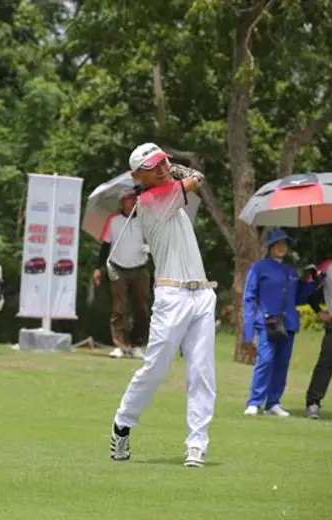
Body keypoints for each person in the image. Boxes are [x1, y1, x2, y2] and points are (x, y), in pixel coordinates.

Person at [109, 142, 216, 469]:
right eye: (152, 166)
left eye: (163, 162)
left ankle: (196, 444)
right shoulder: (149, 201)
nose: (161, 168)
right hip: (172, 297)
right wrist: (178, 170)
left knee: (202, 372)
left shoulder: (168, 195)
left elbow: (194, 178)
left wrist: (171, 168)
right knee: (155, 368)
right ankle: (122, 423)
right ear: (137, 176)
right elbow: (197, 178)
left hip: (202, 293)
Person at [241, 230, 318, 417]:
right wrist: (249, 329)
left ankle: (273, 402)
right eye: (278, 244)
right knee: (265, 360)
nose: (282, 247)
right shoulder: (259, 268)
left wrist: (312, 281)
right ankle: (255, 402)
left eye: (285, 244)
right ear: (271, 247)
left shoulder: (291, 271)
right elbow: (249, 297)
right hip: (268, 322)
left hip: (288, 323)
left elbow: (298, 297)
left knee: (282, 363)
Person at [93, 190, 151, 359]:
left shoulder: (145, 220)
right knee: (119, 309)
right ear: (122, 202)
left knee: (141, 309)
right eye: (129, 199)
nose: (132, 202)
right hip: (118, 269)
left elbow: (156, 242)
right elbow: (105, 247)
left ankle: (136, 344)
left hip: (140, 268)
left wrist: (149, 248)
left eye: (135, 199)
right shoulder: (114, 221)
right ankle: (120, 344)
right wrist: (98, 268)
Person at [304, 258, 332, 419]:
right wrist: (318, 310)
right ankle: (313, 403)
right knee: (325, 365)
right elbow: (308, 291)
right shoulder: (328, 267)